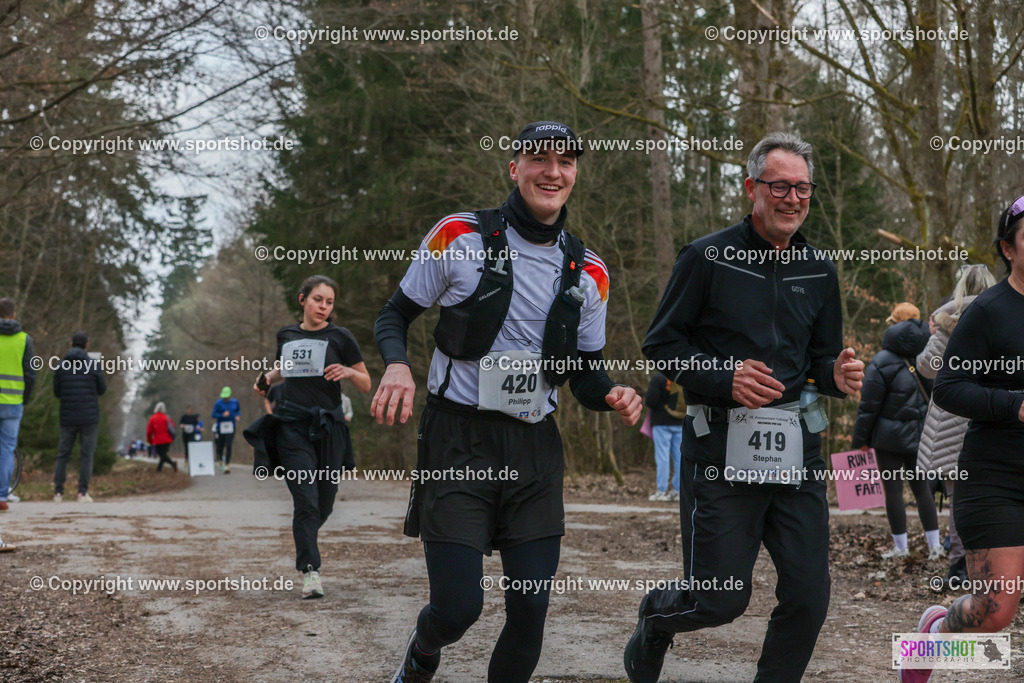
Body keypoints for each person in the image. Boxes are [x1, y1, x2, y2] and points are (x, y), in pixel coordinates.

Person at [372, 120, 642, 683]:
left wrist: (612, 394)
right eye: (539, 158)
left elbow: (586, 373)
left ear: (575, 174)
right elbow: (394, 315)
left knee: (531, 609)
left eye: (565, 161)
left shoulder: (589, 270)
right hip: (457, 440)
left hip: (533, 448)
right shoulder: (458, 235)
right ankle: (423, 650)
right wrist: (397, 364)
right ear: (513, 167)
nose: (553, 171)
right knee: (457, 608)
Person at [624, 132, 865, 683]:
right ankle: (657, 621)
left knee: (808, 597)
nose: (793, 198)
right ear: (751, 187)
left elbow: (820, 360)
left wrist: (836, 373)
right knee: (718, 601)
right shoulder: (708, 257)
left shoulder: (819, 271)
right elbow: (660, 346)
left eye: (803, 188)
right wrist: (722, 377)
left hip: (796, 454)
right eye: (780, 186)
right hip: (719, 452)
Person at [900, 197, 1024, 682]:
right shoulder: (989, 312)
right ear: (1007, 248)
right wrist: (1014, 405)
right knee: (995, 611)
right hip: (997, 478)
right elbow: (948, 387)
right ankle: (931, 634)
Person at [246, 274, 371, 599]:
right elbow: (285, 369)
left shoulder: (340, 337)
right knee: (306, 501)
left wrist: (348, 371)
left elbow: (366, 383)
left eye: (329, 302)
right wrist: (267, 378)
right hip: (292, 426)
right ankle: (310, 570)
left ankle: (306, 534)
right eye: (318, 299)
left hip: (329, 428)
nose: (324, 307)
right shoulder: (286, 334)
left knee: (323, 503)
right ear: (303, 300)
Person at [916, 264, 996, 588]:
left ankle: (959, 568)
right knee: (994, 498)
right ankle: (991, 569)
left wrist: (937, 337)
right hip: (989, 416)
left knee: (957, 499)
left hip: (950, 419)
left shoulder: (948, 323)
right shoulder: (1000, 315)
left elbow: (925, 367)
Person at [850, 302, 940, 560]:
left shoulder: (881, 360)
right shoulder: (931, 355)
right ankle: (934, 547)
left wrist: (861, 440)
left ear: (895, 324)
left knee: (893, 490)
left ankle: (901, 548)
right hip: (922, 435)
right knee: (922, 489)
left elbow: (869, 407)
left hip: (888, 440)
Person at [52, 331, 107, 503]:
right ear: (86, 345)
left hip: (67, 416)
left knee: (63, 455)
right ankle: (82, 493)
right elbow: (102, 389)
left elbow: (57, 392)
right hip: (89, 417)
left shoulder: (61, 365)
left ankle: (58, 493)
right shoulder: (93, 365)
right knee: (86, 455)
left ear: (71, 344)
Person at [0, 297, 36, 512]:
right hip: (13, 403)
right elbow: (30, 373)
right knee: (6, 450)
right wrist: (25, 397)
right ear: (13, 315)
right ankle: (2, 496)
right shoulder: (25, 340)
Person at [644, 372, 685, 501]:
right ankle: (678, 491)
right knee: (679, 458)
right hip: (680, 423)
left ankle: (661, 491)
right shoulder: (682, 377)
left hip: (661, 423)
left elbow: (651, 401)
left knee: (662, 458)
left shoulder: (658, 378)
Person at [212, 387, 240, 473]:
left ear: (230, 396)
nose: (225, 398)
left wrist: (237, 416)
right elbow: (213, 415)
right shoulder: (218, 403)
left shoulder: (235, 402)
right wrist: (222, 415)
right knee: (220, 446)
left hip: (231, 426)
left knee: (229, 445)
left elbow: (238, 411)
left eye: (227, 397)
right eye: (224, 397)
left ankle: (227, 464)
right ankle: (220, 459)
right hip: (221, 427)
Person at [145, 402, 177, 472]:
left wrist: (150, 440)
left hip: (157, 440)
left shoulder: (152, 418)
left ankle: (160, 469)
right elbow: (173, 428)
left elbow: (149, 431)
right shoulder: (167, 418)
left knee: (162, 455)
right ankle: (162, 468)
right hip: (167, 440)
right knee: (163, 455)